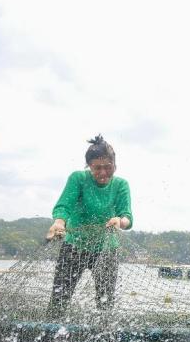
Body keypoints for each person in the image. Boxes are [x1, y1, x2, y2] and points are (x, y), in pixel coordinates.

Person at [46, 135, 133, 317]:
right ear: (89, 167)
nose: (103, 173)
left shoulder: (121, 185)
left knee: (105, 302)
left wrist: (119, 220)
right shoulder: (78, 179)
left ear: (115, 166)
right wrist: (59, 221)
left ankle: (102, 338)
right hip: (74, 247)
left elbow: (127, 217)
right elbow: (64, 206)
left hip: (106, 250)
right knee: (59, 300)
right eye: (97, 168)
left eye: (108, 167)